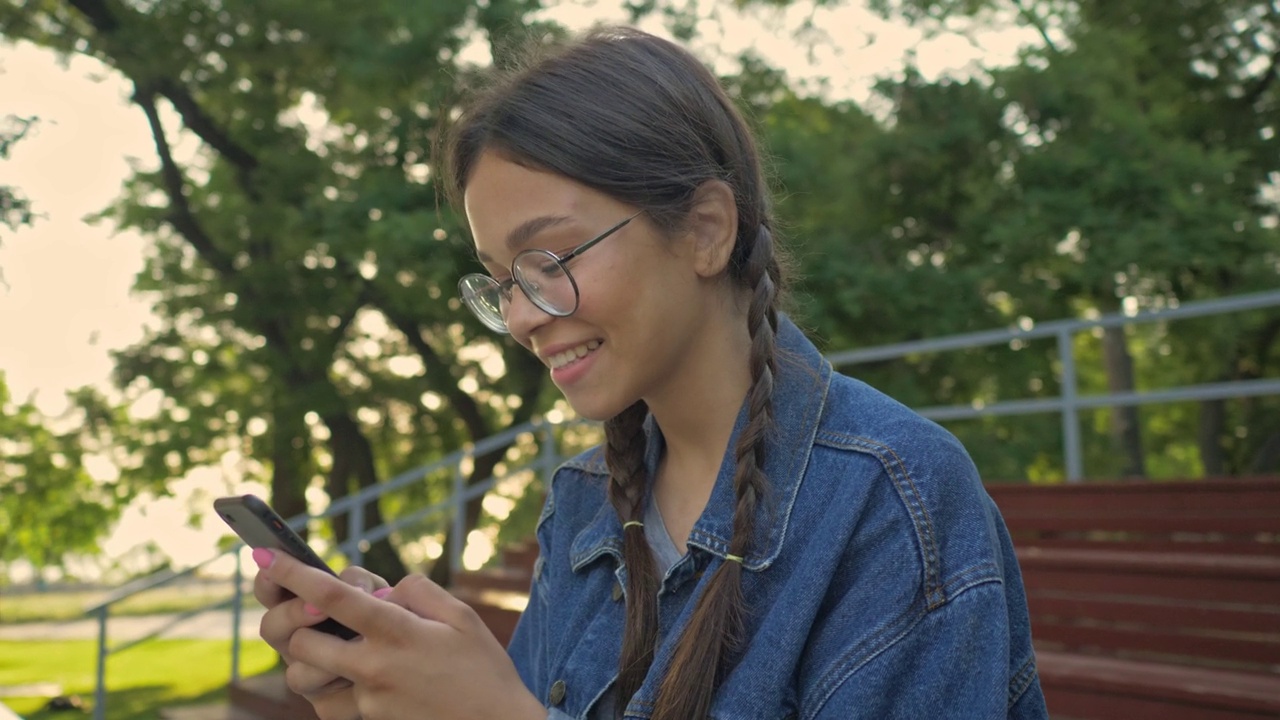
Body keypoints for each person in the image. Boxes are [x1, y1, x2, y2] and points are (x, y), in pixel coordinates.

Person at [251, 25, 1050, 720]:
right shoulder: (585, 500)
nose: (524, 316)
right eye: (500, 280)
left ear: (704, 230)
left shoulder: (890, 499)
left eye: (549, 259)